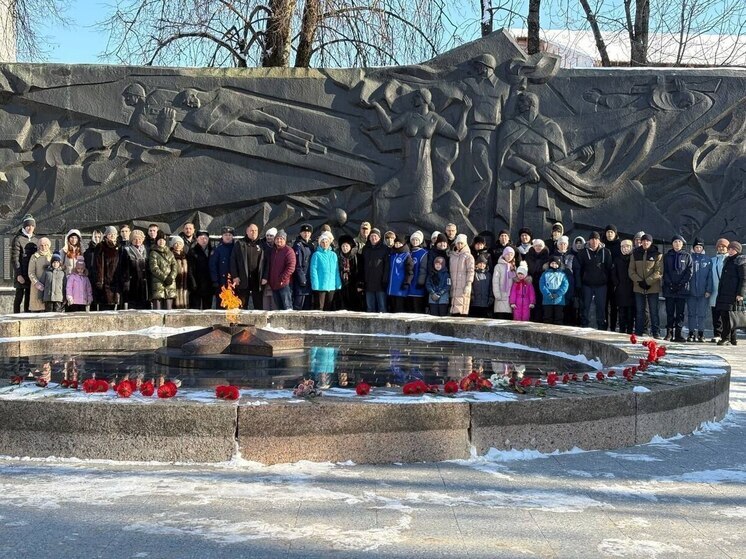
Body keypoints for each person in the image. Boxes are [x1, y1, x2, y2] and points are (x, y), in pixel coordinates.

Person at [629, 233, 663, 338]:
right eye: (643, 241)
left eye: (647, 241)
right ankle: (639, 331)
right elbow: (631, 270)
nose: (645, 242)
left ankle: (656, 332)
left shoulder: (657, 254)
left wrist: (648, 282)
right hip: (639, 287)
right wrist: (639, 281)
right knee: (640, 311)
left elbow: (659, 271)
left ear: (651, 242)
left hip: (653, 287)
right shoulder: (635, 253)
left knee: (653, 311)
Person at [577, 231, 612, 330]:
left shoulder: (606, 252)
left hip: (601, 285)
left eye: (596, 239)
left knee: (601, 307)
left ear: (599, 240)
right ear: (589, 240)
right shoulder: (583, 253)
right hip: (587, 284)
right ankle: (583, 325)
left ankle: (602, 327)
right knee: (585, 306)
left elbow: (609, 268)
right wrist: (580, 283)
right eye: (592, 239)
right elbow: (579, 269)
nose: (594, 241)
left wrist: (607, 281)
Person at [715, 241, 746, 346]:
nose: (730, 251)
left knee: (729, 316)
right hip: (724, 292)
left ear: (737, 250)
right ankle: (732, 339)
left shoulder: (740, 261)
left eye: (733, 249)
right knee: (726, 315)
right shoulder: (728, 260)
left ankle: (726, 338)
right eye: (729, 249)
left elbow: (744, 279)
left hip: (733, 294)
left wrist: (741, 293)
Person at [663, 235, 693, 342]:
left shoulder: (687, 256)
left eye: (679, 242)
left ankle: (678, 334)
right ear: (672, 243)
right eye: (675, 241)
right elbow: (664, 271)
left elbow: (689, 272)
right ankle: (669, 333)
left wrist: (680, 284)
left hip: (682, 289)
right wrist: (670, 284)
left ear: (682, 244)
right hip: (669, 289)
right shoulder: (667, 256)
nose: (677, 244)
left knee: (680, 313)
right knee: (670, 312)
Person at [230, 223, 264, 310]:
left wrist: (265, 277)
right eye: (252, 230)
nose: (254, 232)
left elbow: (266, 262)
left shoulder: (262, 244)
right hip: (243, 279)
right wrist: (235, 276)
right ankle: (241, 322)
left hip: (257, 279)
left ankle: (258, 322)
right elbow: (233, 261)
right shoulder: (240, 244)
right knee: (242, 304)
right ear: (247, 231)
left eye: (256, 230)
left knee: (258, 304)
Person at [262, 230, 296, 310]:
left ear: (285, 240)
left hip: (284, 285)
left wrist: (281, 279)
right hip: (274, 285)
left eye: (281, 238)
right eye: (277, 238)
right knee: (279, 308)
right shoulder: (273, 251)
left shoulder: (289, 251)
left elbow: (291, 267)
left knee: (287, 307)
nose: (279, 240)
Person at [687, 238, 712, 342]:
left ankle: (701, 333)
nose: (698, 249)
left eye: (700, 247)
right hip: (690, 292)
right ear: (693, 248)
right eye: (696, 247)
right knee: (691, 313)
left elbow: (710, 277)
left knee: (702, 314)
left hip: (703, 292)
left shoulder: (707, 260)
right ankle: (691, 333)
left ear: (703, 248)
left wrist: (708, 290)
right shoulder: (689, 258)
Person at [11, 214, 37, 313]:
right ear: (24, 226)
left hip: (31, 273)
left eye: (32, 226)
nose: (30, 228)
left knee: (29, 297)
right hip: (21, 273)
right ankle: (15, 316)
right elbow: (15, 258)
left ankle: (27, 315)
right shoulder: (18, 239)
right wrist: (18, 274)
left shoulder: (36, 240)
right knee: (19, 296)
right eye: (28, 226)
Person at [310, 231, 341, 311]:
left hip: (331, 286)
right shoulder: (316, 255)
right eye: (323, 242)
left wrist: (338, 283)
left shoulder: (333, 255)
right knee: (319, 308)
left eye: (326, 242)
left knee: (329, 307)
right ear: (320, 243)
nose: (325, 244)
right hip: (320, 286)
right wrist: (315, 284)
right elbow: (313, 271)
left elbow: (336, 270)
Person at [552, 236, 579, 325]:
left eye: (564, 244)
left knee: (570, 310)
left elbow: (576, 271)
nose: (562, 246)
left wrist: (577, 285)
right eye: (560, 244)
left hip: (570, 285)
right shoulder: (553, 256)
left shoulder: (572, 256)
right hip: (557, 286)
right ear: (558, 245)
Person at [360, 228, 389, 313]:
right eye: (372, 236)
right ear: (369, 238)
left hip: (380, 283)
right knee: (370, 308)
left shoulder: (384, 249)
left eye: (375, 236)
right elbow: (362, 265)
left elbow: (387, 266)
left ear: (379, 237)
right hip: (368, 282)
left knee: (382, 307)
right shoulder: (365, 249)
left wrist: (385, 280)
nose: (373, 238)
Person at [120, 229, 150, 309]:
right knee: (133, 304)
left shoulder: (146, 250)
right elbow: (124, 268)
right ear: (131, 240)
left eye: (139, 239)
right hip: (132, 282)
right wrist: (126, 282)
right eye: (135, 239)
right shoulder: (127, 250)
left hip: (144, 283)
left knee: (144, 305)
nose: (137, 241)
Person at [94, 226, 123, 310]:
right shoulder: (101, 246)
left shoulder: (119, 247)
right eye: (110, 234)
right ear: (106, 235)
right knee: (106, 307)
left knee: (116, 307)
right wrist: (100, 280)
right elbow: (98, 264)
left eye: (114, 234)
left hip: (116, 280)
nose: (112, 236)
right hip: (106, 281)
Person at [149, 230, 177, 310]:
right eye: (159, 240)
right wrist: (165, 277)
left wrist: (171, 277)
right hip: (158, 283)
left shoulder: (170, 253)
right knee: (158, 309)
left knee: (169, 310)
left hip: (170, 284)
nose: (161, 242)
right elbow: (154, 268)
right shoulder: (153, 253)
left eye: (163, 240)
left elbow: (175, 266)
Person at [612, 240, 636, 334]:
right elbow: (613, 273)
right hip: (620, 289)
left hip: (631, 288)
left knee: (630, 313)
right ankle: (622, 330)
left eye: (627, 246)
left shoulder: (633, 258)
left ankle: (630, 330)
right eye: (623, 247)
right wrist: (616, 283)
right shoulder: (617, 259)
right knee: (621, 312)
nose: (625, 249)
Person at [387, 234, 414, 313]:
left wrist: (407, 282)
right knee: (392, 307)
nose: (398, 245)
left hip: (400, 285)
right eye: (396, 243)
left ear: (403, 244)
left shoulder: (406, 255)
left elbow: (410, 271)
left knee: (399, 309)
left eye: (400, 243)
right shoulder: (392, 254)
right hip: (391, 285)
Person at [709, 238, 730, 343]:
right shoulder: (713, 260)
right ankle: (717, 334)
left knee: (725, 314)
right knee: (715, 313)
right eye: (719, 247)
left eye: (723, 246)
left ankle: (726, 335)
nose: (721, 248)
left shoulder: (730, 259)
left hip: (726, 291)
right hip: (714, 290)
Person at [449, 234, 475, 316]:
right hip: (453, 285)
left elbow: (471, 271)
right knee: (453, 310)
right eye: (458, 243)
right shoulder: (452, 256)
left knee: (462, 309)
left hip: (463, 285)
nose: (459, 245)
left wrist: (469, 283)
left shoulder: (468, 256)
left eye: (461, 243)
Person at [539, 255, 569, 324]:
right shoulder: (545, 274)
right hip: (547, 299)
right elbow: (542, 285)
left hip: (559, 300)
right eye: (552, 263)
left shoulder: (562, 274)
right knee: (547, 316)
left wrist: (558, 294)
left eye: (556, 263)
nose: (554, 265)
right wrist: (547, 294)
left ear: (558, 265)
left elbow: (565, 285)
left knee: (558, 317)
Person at [525, 238, 549, 322]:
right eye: (536, 246)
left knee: (540, 300)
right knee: (531, 300)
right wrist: (528, 275)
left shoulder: (547, 256)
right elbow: (525, 267)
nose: (538, 247)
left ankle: (540, 319)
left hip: (542, 281)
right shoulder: (528, 255)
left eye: (540, 246)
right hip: (531, 280)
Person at [188, 230, 214, 310]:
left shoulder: (212, 251)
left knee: (208, 308)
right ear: (197, 240)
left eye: (206, 238)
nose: (204, 240)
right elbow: (190, 269)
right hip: (197, 284)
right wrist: (193, 283)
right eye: (201, 238)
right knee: (195, 308)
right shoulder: (193, 251)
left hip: (209, 284)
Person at [337, 235, 363, 311]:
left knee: (356, 306)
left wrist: (360, 284)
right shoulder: (339, 257)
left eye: (346, 246)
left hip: (354, 285)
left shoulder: (358, 257)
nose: (345, 248)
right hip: (343, 285)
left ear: (350, 246)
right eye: (343, 246)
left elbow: (361, 271)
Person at [604, 224, 622, 331]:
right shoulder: (602, 245)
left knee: (614, 305)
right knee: (604, 305)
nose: (609, 234)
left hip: (616, 280)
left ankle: (613, 326)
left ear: (615, 234)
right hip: (604, 280)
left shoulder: (620, 245)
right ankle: (604, 325)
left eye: (611, 232)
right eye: (608, 232)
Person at [27, 237, 52, 313]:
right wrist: (36, 283)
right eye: (41, 245)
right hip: (37, 287)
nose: (43, 247)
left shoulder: (52, 256)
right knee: (36, 311)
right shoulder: (34, 257)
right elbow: (31, 272)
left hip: (49, 287)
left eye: (46, 245)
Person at [292, 224, 314, 310]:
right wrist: (302, 280)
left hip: (309, 280)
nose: (306, 234)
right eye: (304, 232)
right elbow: (298, 265)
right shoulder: (298, 245)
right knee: (298, 307)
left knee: (307, 308)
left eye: (308, 232)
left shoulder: (310, 245)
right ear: (300, 233)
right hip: (301, 282)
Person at [492, 246, 516, 320]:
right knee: (500, 317)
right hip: (501, 296)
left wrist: (514, 270)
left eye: (511, 255)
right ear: (504, 255)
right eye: (507, 254)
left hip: (510, 297)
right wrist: (497, 294)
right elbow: (495, 281)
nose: (509, 256)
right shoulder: (498, 266)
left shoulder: (513, 267)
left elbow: (516, 281)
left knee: (508, 318)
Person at [407, 230, 429, 313]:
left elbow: (423, 269)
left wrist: (421, 282)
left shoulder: (423, 253)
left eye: (417, 240)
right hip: (409, 284)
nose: (415, 241)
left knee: (417, 309)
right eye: (413, 240)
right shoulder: (409, 252)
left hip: (417, 284)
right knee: (409, 309)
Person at [209, 226, 235, 293]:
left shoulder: (236, 248)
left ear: (232, 236)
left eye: (230, 235)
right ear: (222, 236)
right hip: (221, 281)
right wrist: (215, 280)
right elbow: (213, 265)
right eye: (225, 235)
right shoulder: (217, 249)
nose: (227, 237)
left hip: (233, 281)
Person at [170, 236, 192, 309]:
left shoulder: (185, 255)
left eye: (179, 243)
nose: (178, 245)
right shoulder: (170, 255)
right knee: (175, 301)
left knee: (185, 300)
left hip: (185, 281)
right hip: (175, 281)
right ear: (172, 245)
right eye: (175, 243)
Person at [84, 229, 103, 309]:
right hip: (91, 276)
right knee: (92, 298)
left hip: (101, 276)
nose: (97, 238)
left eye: (99, 237)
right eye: (95, 237)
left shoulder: (103, 249)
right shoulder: (88, 251)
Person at [261, 227, 278, 310]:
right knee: (266, 299)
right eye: (267, 235)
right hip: (265, 277)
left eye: (271, 235)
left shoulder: (277, 248)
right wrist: (265, 277)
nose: (269, 237)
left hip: (275, 278)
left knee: (275, 301)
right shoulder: (262, 246)